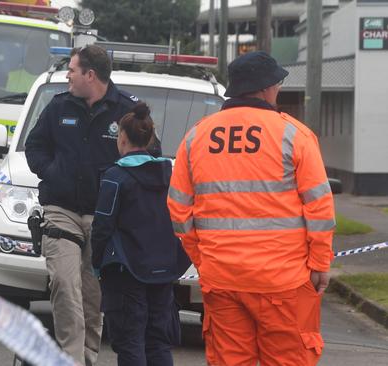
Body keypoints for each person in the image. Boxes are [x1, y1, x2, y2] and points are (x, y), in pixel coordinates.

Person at [167, 51, 335, 366]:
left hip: (223, 278)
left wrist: (204, 258)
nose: (279, 88)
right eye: (278, 82)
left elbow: (178, 208)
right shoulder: (293, 135)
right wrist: (320, 263)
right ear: (264, 87)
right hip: (283, 280)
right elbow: (319, 208)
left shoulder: (197, 136)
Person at [24, 45, 141, 366]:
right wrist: (52, 172)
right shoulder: (59, 106)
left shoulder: (127, 110)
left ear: (90, 75)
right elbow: (34, 147)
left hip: (105, 218)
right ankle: (69, 359)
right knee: (63, 282)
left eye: (72, 70)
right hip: (61, 210)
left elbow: (145, 157)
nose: (68, 76)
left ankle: (88, 357)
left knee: (92, 295)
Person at [91, 103, 190, 366]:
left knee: (130, 341)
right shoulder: (170, 173)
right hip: (164, 269)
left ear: (122, 138)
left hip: (127, 271)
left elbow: (102, 226)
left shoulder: (115, 176)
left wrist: (97, 263)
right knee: (158, 340)